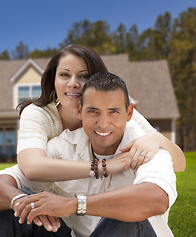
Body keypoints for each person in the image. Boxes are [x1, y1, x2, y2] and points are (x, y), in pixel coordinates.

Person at [0, 72, 177, 236]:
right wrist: (19, 201)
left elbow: (156, 199)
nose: (103, 123)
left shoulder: (147, 148)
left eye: (113, 112)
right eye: (93, 111)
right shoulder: (63, 146)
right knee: (18, 213)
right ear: (80, 111)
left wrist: (74, 204)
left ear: (128, 113)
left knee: (128, 216)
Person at [15, 45, 185, 184]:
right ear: (53, 79)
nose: (73, 83)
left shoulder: (117, 112)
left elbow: (179, 164)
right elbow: (31, 166)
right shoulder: (39, 115)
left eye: (83, 76)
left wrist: (157, 139)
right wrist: (104, 166)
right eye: (64, 75)